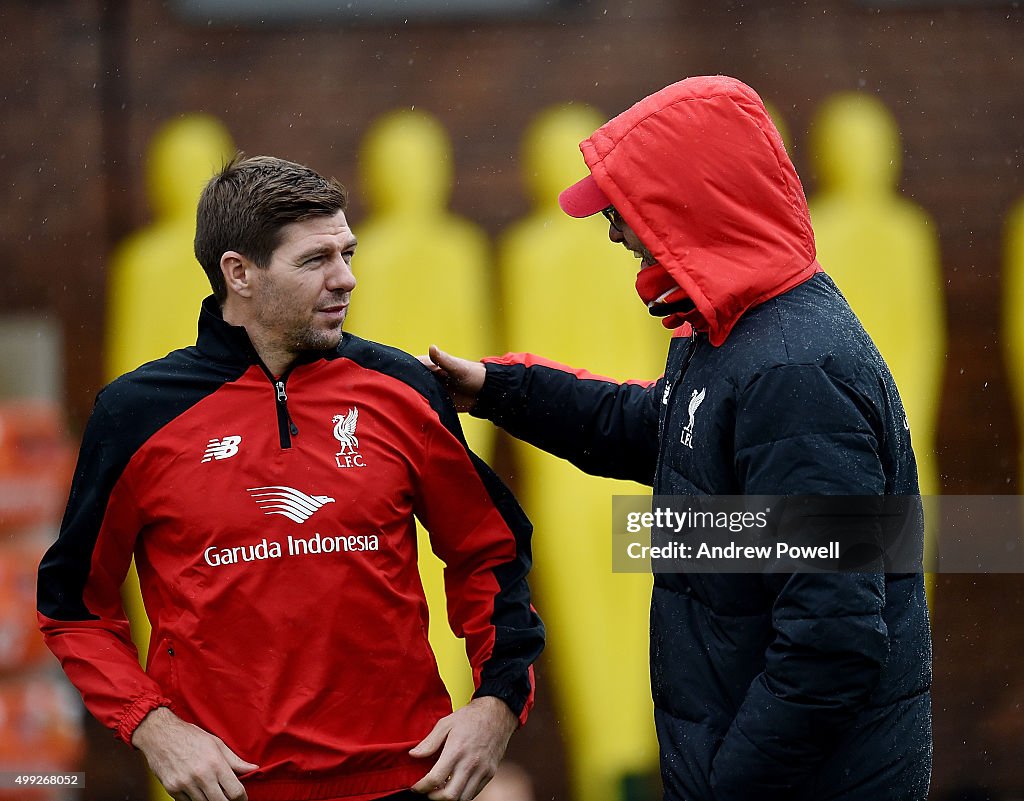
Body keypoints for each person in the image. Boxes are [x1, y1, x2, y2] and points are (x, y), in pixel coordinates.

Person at [424, 75, 932, 800]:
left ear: (693, 203)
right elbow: (660, 429)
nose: (611, 230)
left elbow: (832, 640)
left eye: (625, 207)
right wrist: (498, 389)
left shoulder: (794, 370)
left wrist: (727, 783)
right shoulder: (736, 333)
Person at [37, 155, 544, 801]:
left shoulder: (402, 390)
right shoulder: (136, 413)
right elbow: (74, 608)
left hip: (404, 779)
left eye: (348, 252)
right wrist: (154, 726)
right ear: (238, 273)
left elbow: (489, 552)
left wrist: (496, 703)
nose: (347, 279)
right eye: (316, 261)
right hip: (233, 788)